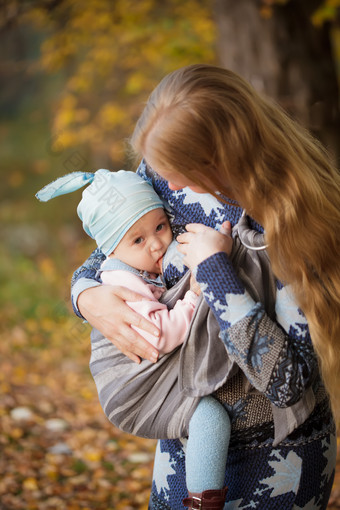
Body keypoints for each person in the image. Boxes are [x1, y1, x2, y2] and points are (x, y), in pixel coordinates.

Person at [71, 65, 339, 509]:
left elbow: (289, 383)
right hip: (188, 434)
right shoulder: (166, 171)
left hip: (280, 458)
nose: (168, 184)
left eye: (182, 170)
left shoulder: (297, 224)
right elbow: (118, 244)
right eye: (160, 168)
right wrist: (87, 295)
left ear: (225, 156)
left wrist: (215, 271)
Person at [36, 168, 232, 509]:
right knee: (209, 418)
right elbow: (162, 334)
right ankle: (204, 502)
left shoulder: (138, 265)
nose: (157, 243)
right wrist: (196, 295)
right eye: (138, 240)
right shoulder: (122, 281)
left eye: (159, 226)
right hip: (130, 390)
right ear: (112, 249)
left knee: (207, 421)